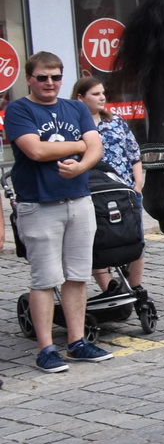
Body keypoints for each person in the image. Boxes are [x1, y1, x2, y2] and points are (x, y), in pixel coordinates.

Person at [5, 52, 113, 373]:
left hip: (79, 200)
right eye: (42, 77)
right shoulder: (19, 109)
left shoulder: (76, 107)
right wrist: (79, 145)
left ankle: (77, 342)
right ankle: (46, 348)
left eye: (55, 77)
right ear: (29, 79)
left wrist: (81, 163)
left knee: (78, 275)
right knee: (44, 279)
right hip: (38, 204)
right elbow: (35, 149)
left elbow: (97, 146)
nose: (50, 83)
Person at [73, 76, 147, 298]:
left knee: (135, 237)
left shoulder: (115, 121)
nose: (102, 97)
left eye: (103, 92)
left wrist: (138, 183)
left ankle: (135, 286)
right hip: (93, 192)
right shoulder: (74, 126)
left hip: (124, 190)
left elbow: (133, 153)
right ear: (80, 98)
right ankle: (110, 288)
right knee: (98, 240)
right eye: (95, 94)